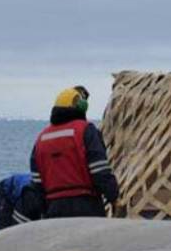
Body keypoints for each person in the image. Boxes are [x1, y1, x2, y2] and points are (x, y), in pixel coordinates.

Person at [18, 86, 120, 221]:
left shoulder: (41, 139)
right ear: (81, 107)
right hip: (86, 206)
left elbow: (37, 183)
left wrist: (45, 210)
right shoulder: (86, 131)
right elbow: (100, 170)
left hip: (53, 209)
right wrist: (113, 196)